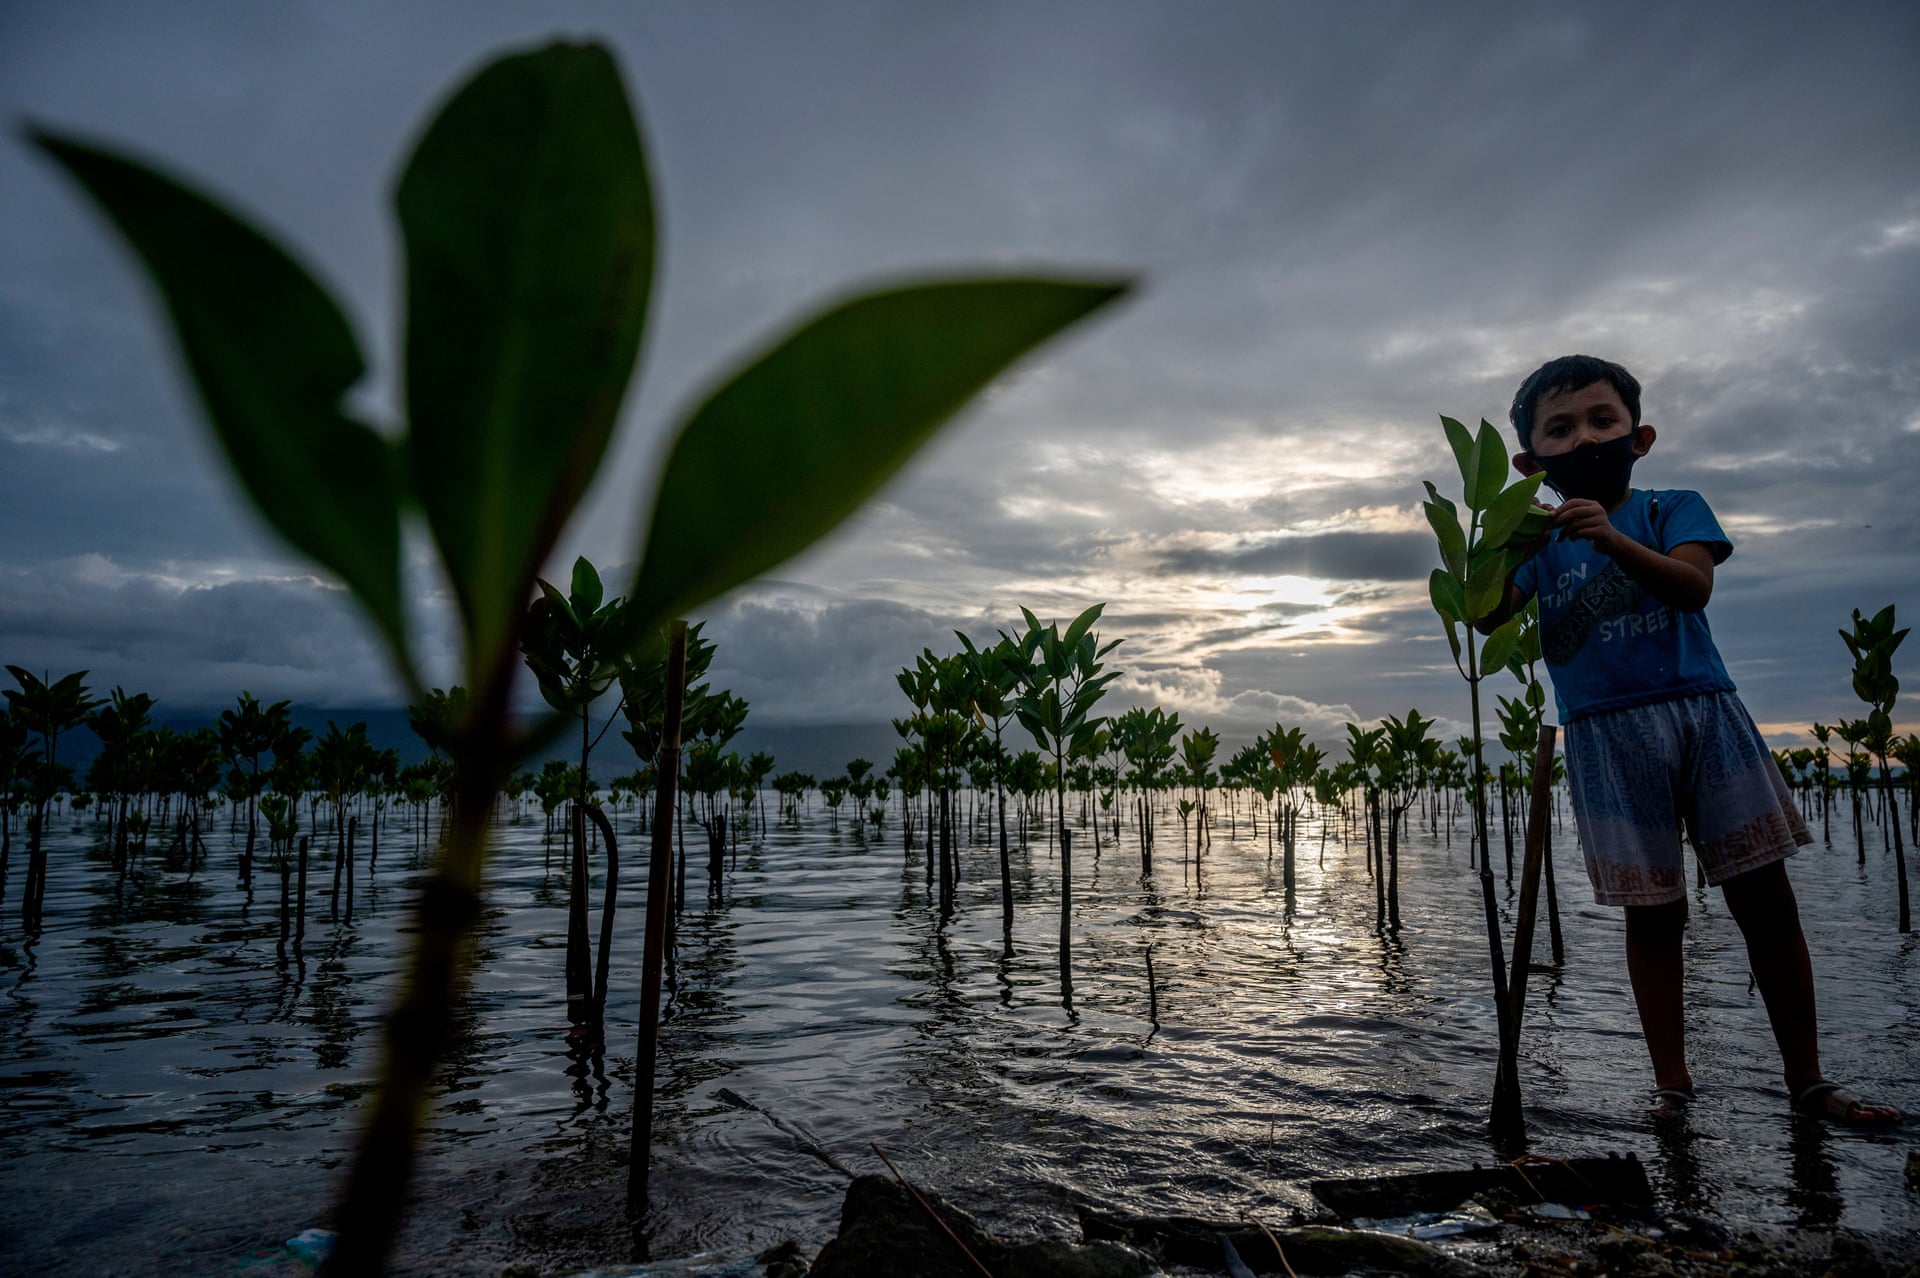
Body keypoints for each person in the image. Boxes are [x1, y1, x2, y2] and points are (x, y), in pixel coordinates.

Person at [1481, 354, 1900, 1126]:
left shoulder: (1673, 507)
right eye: (1561, 431)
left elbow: (1693, 585)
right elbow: (1485, 616)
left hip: (1702, 714)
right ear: (1530, 462)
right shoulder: (1536, 544)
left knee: (1765, 901)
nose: (1585, 441)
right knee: (1654, 915)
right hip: (1606, 737)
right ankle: (1672, 1090)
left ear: (1638, 438)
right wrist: (1492, 533)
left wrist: (1610, 540)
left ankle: (1807, 1081)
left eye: (1603, 422)